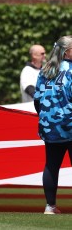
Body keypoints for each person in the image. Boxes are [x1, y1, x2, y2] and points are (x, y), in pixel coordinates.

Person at [33, 36, 72, 215]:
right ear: (66, 52)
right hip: (69, 124)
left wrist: (45, 117)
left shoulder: (45, 70)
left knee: (51, 165)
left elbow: (37, 99)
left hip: (49, 124)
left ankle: (50, 206)